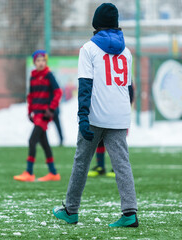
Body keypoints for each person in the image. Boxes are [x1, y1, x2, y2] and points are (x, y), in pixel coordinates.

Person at [53, 3, 138, 227]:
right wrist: (124, 112)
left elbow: (85, 86)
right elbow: (129, 88)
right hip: (120, 116)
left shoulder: (88, 49)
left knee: (81, 162)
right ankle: (130, 212)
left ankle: (71, 210)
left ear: (96, 23)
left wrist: (82, 117)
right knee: (122, 165)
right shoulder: (127, 52)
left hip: (96, 116)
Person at [14, 50, 62, 182]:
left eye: (43, 60)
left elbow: (58, 92)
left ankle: (29, 172)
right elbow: (31, 96)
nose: (41, 63)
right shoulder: (33, 76)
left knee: (32, 141)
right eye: (38, 61)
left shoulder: (49, 75)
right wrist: (29, 111)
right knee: (44, 143)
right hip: (36, 114)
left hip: (44, 115)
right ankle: (53, 172)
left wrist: (51, 108)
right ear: (34, 62)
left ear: (46, 62)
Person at [88, 83, 134, 178]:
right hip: (105, 112)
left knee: (117, 142)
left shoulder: (125, 75)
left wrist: (124, 108)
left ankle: (117, 168)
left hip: (119, 113)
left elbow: (130, 93)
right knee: (100, 140)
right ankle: (100, 167)